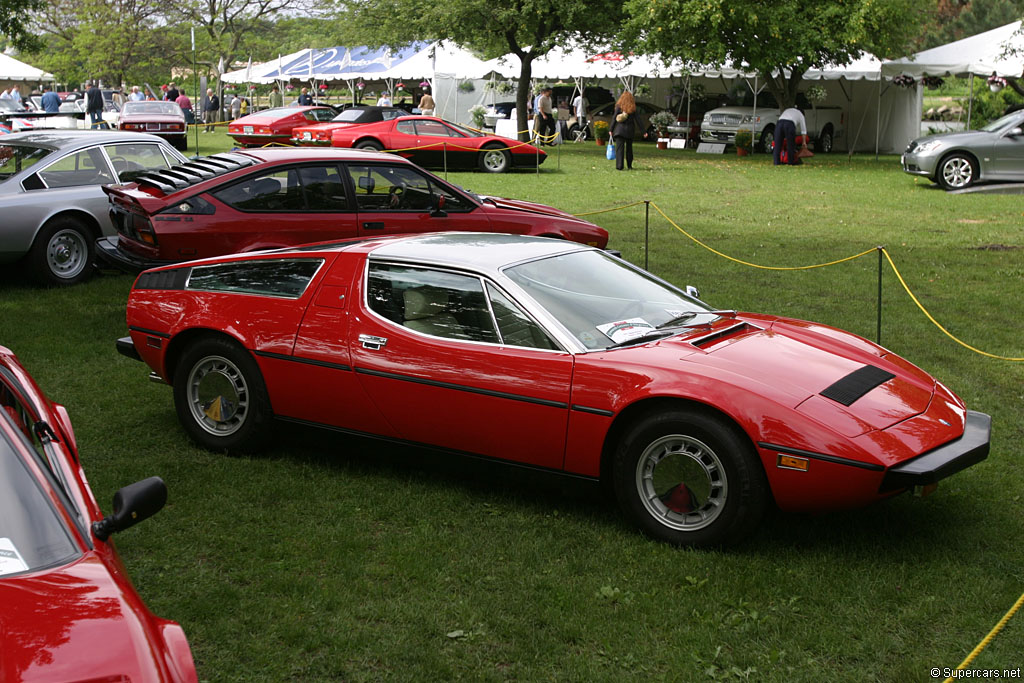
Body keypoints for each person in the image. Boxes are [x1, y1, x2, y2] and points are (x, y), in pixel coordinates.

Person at [610, 90, 637, 170]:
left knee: (619, 149)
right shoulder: (633, 108)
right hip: (630, 130)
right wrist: (644, 132)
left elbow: (614, 118)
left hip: (619, 131)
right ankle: (629, 165)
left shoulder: (619, 107)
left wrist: (611, 129)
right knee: (629, 149)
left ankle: (619, 166)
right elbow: (638, 120)